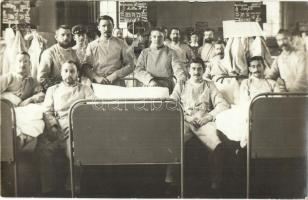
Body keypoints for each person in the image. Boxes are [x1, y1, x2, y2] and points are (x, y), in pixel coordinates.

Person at [169, 57, 229, 190]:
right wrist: (186, 117)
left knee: (217, 145)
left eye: (199, 69)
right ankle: (171, 180)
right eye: (193, 69)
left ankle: (216, 182)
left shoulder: (209, 84)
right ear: (189, 70)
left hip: (204, 122)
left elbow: (223, 104)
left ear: (204, 70)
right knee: (173, 141)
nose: (196, 72)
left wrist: (208, 117)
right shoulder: (182, 84)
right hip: (186, 120)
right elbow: (171, 104)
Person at [36, 61, 94, 196]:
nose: (69, 74)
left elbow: (92, 107)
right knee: (43, 151)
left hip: (76, 127)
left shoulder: (85, 89)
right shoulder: (53, 90)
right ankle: (48, 190)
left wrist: (80, 126)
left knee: (75, 154)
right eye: (66, 71)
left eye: (72, 71)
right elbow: (47, 111)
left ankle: (72, 188)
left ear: (77, 73)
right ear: (61, 73)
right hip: (56, 127)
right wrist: (53, 127)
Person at [83, 15, 134, 86]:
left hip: (117, 83)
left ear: (113, 26)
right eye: (103, 26)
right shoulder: (92, 45)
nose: (107, 29)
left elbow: (130, 65)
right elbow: (86, 67)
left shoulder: (121, 43)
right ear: (99, 28)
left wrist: (115, 75)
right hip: (98, 83)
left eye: (109, 25)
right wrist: (96, 77)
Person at [134, 28, 187, 93]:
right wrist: (150, 80)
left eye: (160, 37)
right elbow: (138, 70)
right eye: (154, 37)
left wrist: (181, 79)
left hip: (166, 86)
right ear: (151, 38)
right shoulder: (145, 52)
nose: (157, 39)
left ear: (164, 38)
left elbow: (178, 68)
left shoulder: (171, 52)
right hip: (149, 85)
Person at [38, 25, 79, 92]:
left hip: (73, 89)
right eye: (62, 35)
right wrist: (58, 89)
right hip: (56, 90)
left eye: (68, 35)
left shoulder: (74, 52)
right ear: (56, 37)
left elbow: (79, 72)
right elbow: (42, 78)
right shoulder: (49, 53)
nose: (66, 38)